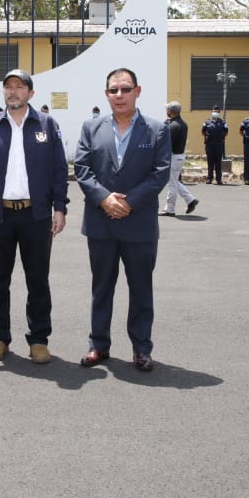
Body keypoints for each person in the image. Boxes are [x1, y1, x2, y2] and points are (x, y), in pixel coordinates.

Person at [0, 69, 69, 364]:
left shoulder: (47, 125)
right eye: (9, 87)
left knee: (38, 280)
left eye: (20, 87)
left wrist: (59, 208)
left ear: (30, 93)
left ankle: (38, 340)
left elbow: (60, 170)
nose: (13, 91)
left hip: (36, 216)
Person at [73, 67, 170, 372]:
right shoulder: (91, 127)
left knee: (141, 289)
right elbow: (83, 168)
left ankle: (142, 349)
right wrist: (104, 198)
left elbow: (160, 173)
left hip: (139, 224)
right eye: (113, 90)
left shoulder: (157, 129)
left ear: (137, 92)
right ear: (106, 94)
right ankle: (98, 345)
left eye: (125, 89)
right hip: (101, 223)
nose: (119, 95)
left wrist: (128, 202)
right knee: (101, 288)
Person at [161, 102, 198, 216]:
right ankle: (190, 200)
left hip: (173, 156)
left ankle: (170, 209)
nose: (166, 111)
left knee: (171, 183)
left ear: (170, 111)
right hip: (179, 156)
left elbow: (167, 144)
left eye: (167, 109)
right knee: (174, 181)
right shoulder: (182, 123)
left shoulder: (173, 125)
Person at [201, 106, 229, 185]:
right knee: (210, 162)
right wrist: (206, 137)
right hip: (209, 143)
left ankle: (218, 179)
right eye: (214, 111)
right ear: (212, 111)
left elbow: (226, 132)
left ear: (219, 112)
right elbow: (203, 131)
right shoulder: (207, 122)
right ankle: (209, 178)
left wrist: (222, 137)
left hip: (219, 144)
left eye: (217, 111)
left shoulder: (223, 122)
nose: (215, 113)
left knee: (218, 162)